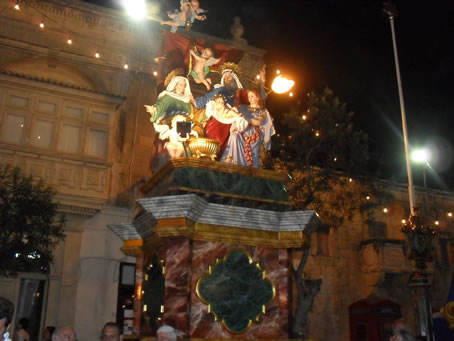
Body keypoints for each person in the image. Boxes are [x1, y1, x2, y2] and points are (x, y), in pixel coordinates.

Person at [220, 89, 275, 168]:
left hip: (254, 137)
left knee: (254, 158)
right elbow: (235, 118)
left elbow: (258, 122)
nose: (250, 99)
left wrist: (245, 118)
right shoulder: (242, 107)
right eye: (248, 97)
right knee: (234, 136)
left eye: (252, 96)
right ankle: (231, 162)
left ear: (258, 97)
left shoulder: (263, 111)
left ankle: (248, 170)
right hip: (242, 133)